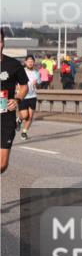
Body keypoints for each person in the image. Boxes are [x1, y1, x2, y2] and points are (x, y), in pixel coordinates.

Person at [1, 29, 29, 174]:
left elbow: (24, 86)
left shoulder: (13, 64)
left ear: (3, 43)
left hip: (6, 117)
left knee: (2, 165)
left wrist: (17, 99)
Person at [17, 55, 40, 140]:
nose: (30, 63)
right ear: (25, 62)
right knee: (25, 115)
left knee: (30, 116)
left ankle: (24, 132)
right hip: (23, 96)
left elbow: (39, 84)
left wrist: (36, 83)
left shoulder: (37, 72)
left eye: (32, 61)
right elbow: (15, 82)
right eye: (29, 61)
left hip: (33, 96)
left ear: (34, 62)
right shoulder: (21, 71)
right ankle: (19, 119)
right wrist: (17, 88)